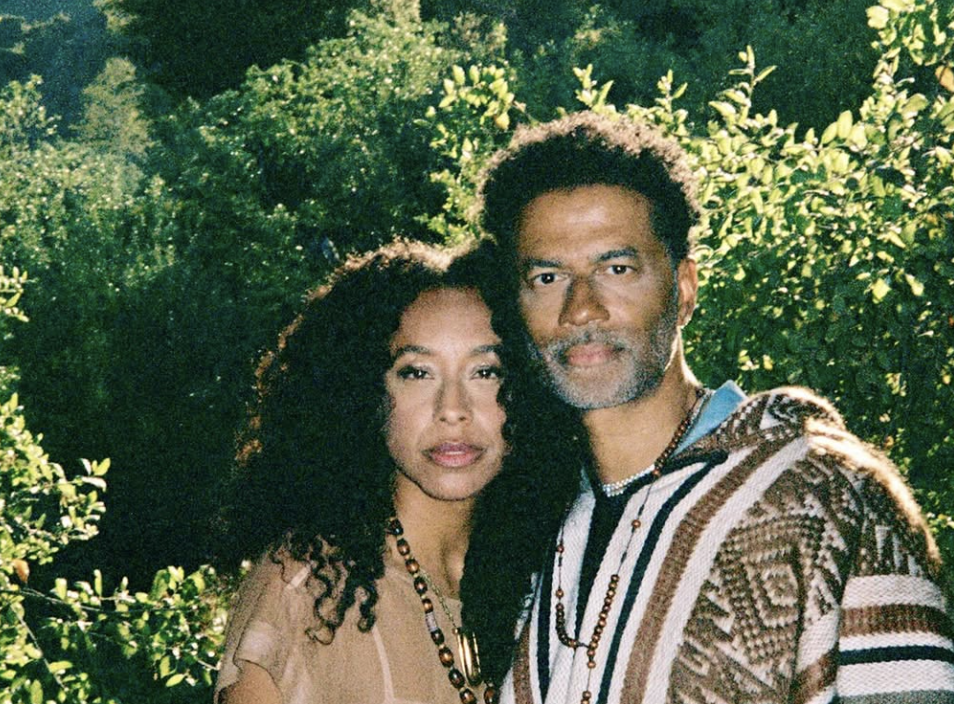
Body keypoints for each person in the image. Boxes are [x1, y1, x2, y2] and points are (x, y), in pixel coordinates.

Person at [476, 111, 954, 704]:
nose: (581, 309)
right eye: (547, 278)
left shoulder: (827, 496)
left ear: (684, 290)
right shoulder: (532, 522)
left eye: (617, 269)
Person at [213, 240, 581, 704]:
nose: (453, 409)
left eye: (486, 372)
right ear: (365, 392)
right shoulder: (309, 587)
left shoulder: (552, 580)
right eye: (417, 372)